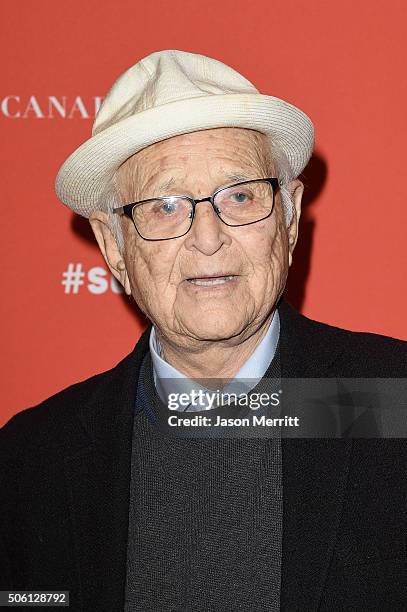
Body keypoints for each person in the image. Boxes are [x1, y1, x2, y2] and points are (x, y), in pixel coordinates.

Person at [1, 49, 406, 612]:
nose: (208, 238)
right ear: (115, 246)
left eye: (239, 196)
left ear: (288, 219)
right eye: (165, 206)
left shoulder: (394, 401)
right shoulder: (34, 459)